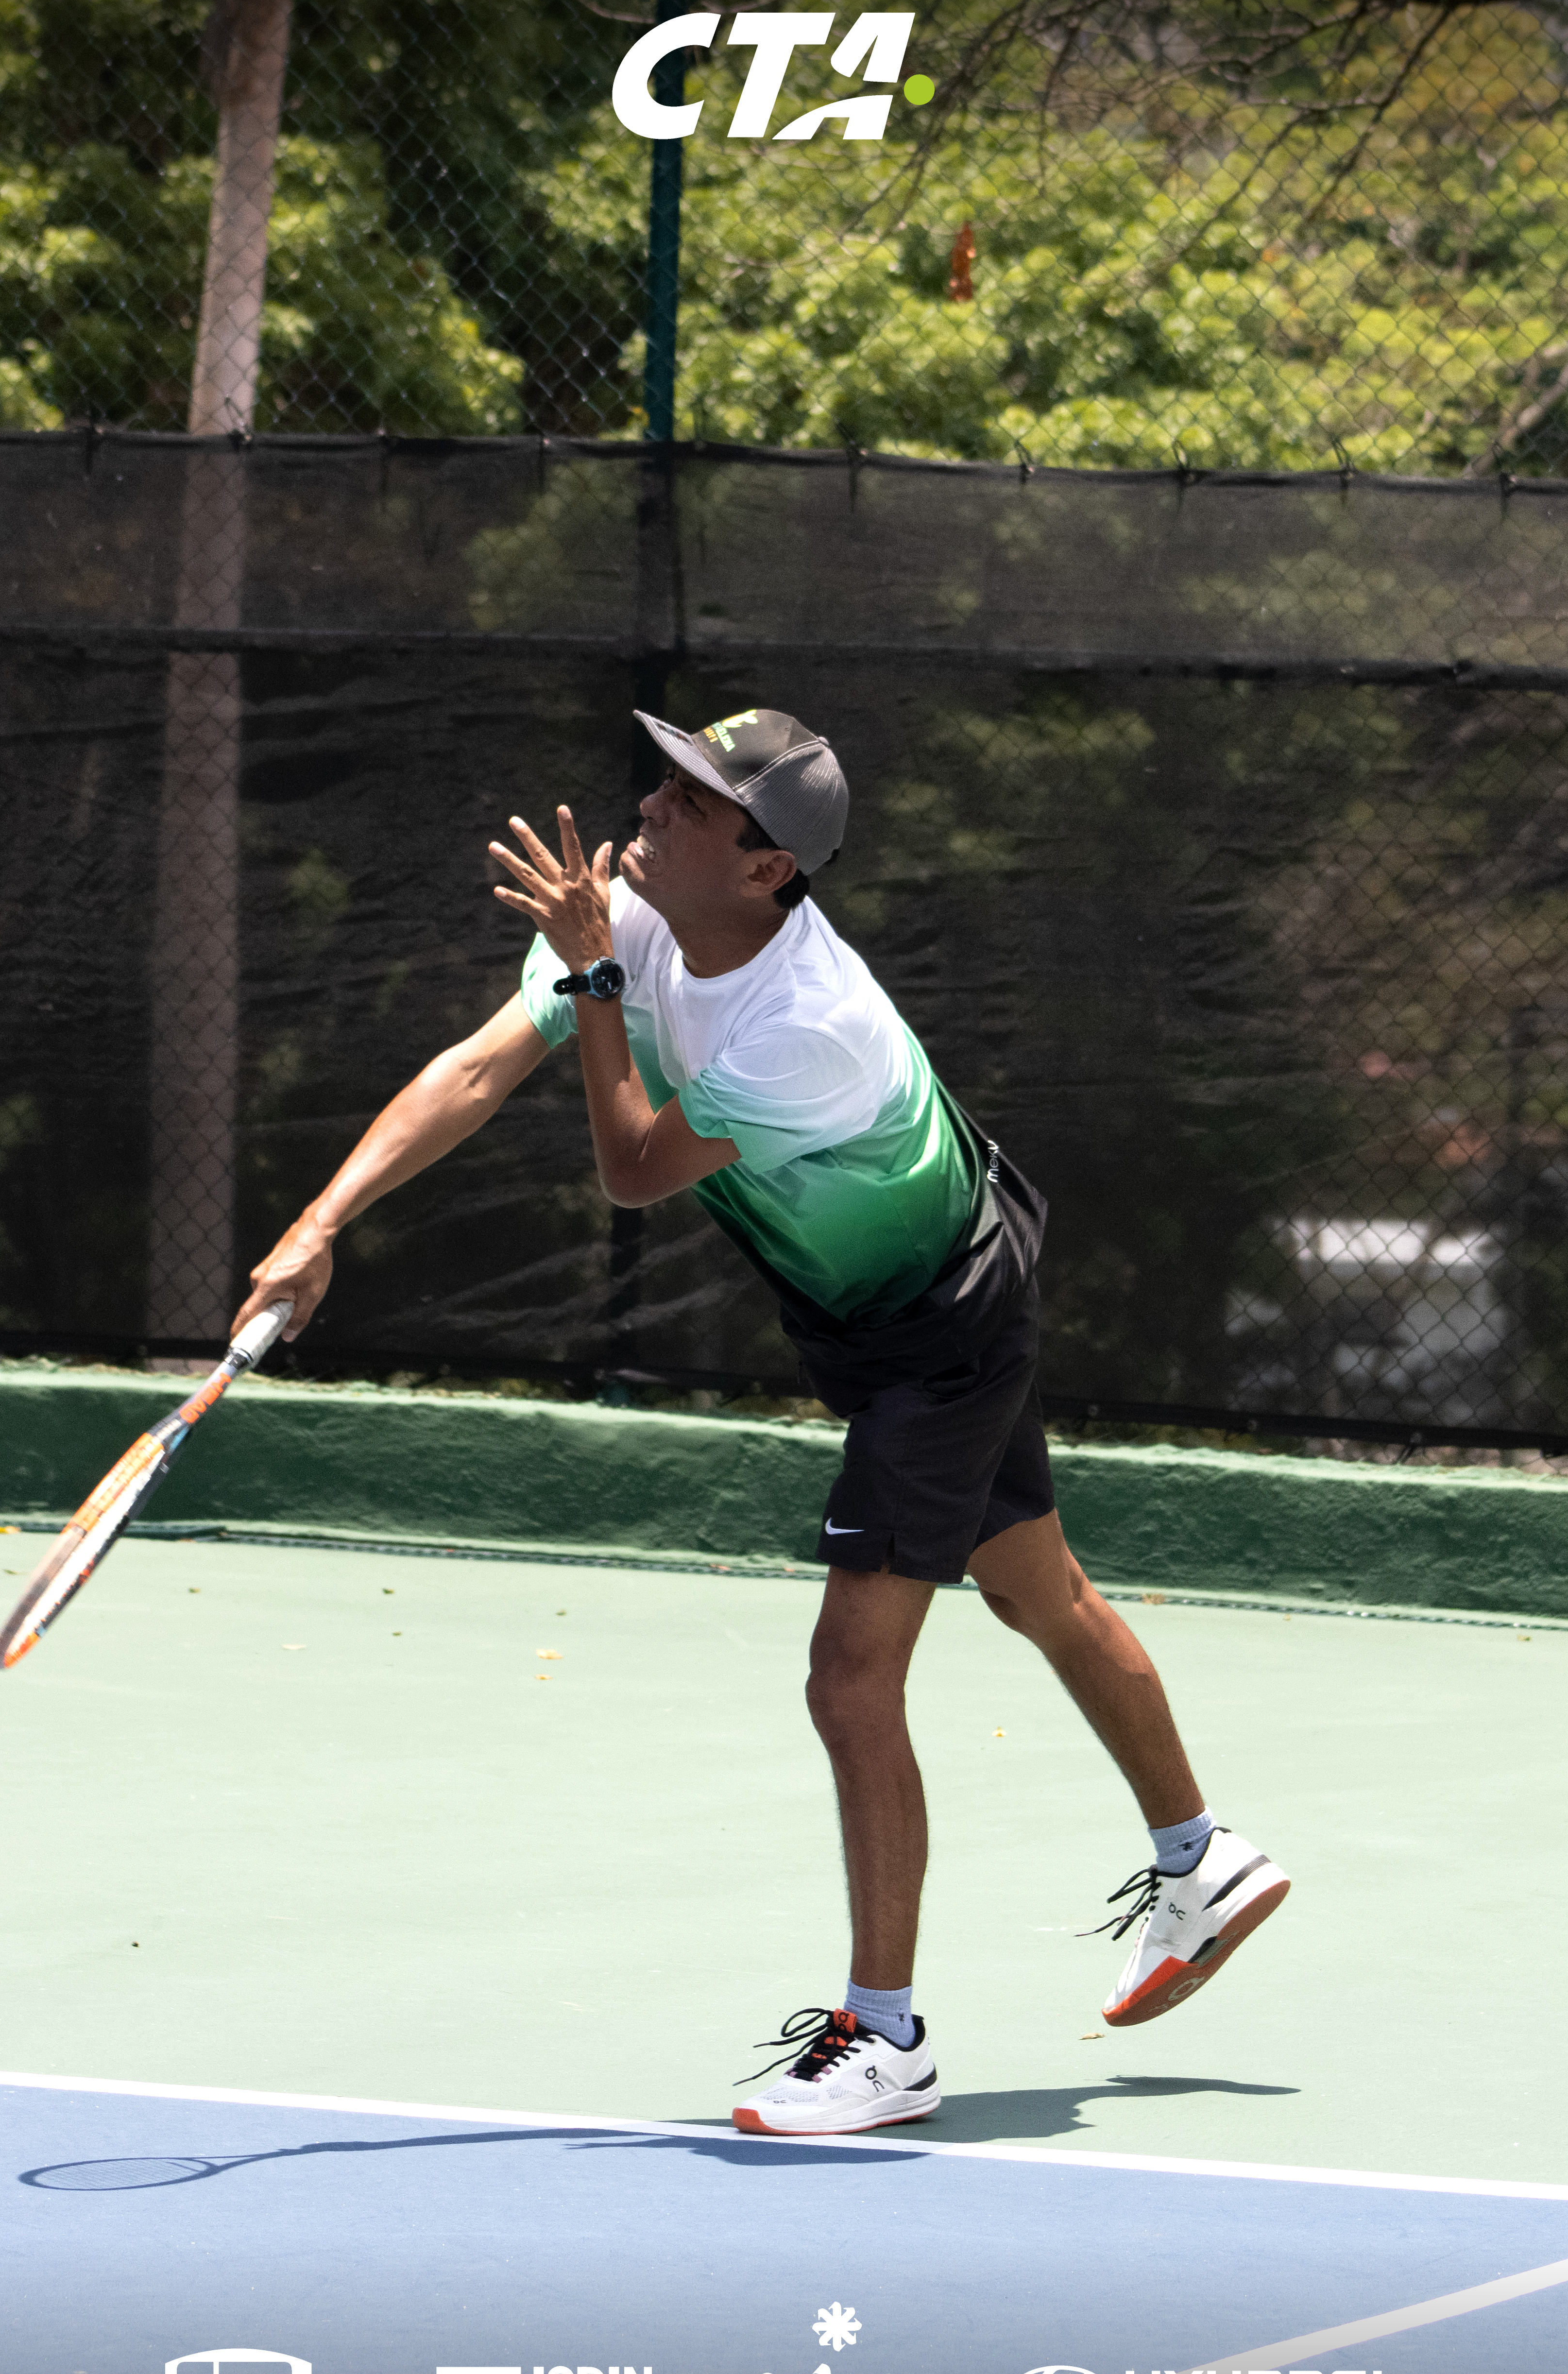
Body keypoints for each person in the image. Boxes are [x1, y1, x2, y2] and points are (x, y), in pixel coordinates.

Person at [238, 706, 1289, 2135]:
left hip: (940, 1322)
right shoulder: (633, 917)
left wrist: (600, 974)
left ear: (769, 866)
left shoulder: (808, 1027)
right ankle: (1202, 1860)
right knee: (1037, 1585)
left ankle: (885, 2041)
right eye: (665, 780)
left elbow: (632, 1170)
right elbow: (482, 1066)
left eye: (694, 800)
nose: (653, 808)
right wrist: (320, 1224)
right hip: (890, 1303)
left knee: (849, 1677)